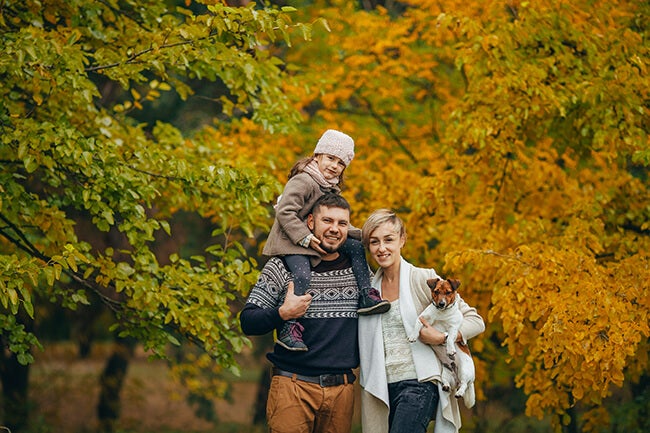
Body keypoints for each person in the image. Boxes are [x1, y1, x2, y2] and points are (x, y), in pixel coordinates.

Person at [240, 193, 362, 433]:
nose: (335, 229)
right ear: (310, 223)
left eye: (342, 223)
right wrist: (282, 313)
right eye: (327, 221)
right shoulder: (282, 265)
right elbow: (248, 321)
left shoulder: (358, 269)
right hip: (293, 386)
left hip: (342, 391)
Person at [358, 209, 485, 433]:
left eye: (389, 240)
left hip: (420, 383)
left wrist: (443, 337)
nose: (382, 248)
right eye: (374, 241)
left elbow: (475, 320)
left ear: (402, 240)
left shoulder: (423, 279)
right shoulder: (368, 288)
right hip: (383, 387)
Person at [263, 129, 389, 351]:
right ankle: (289, 326)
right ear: (317, 155)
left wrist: (367, 235)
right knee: (302, 274)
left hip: (313, 238)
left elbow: (339, 224)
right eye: (330, 158)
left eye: (341, 163)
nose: (334, 166)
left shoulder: (330, 187)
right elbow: (285, 212)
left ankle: (365, 294)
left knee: (355, 247)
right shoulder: (304, 180)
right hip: (291, 240)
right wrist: (304, 238)